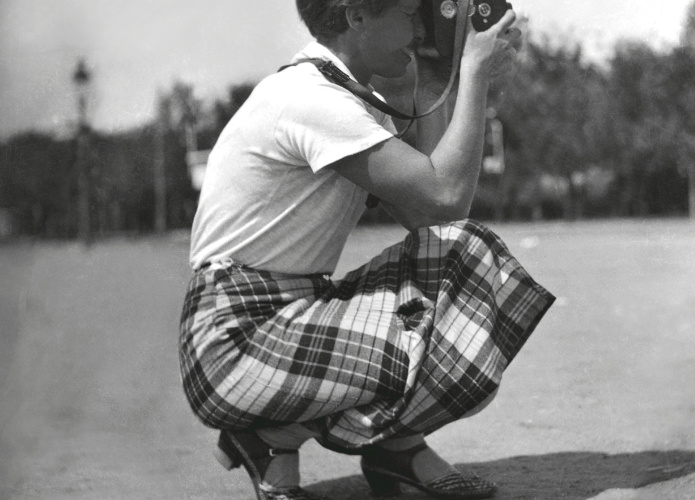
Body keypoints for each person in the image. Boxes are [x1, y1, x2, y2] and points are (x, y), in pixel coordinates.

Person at [179, 1, 555, 499]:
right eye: (408, 14)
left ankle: (383, 448)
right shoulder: (311, 100)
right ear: (357, 18)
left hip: (285, 313)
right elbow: (443, 199)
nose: (419, 28)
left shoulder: (346, 94)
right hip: (233, 339)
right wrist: (474, 75)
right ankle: (273, 437)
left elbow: (429, 219)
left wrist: (438, 79)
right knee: (456, 291)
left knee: (456, 260)